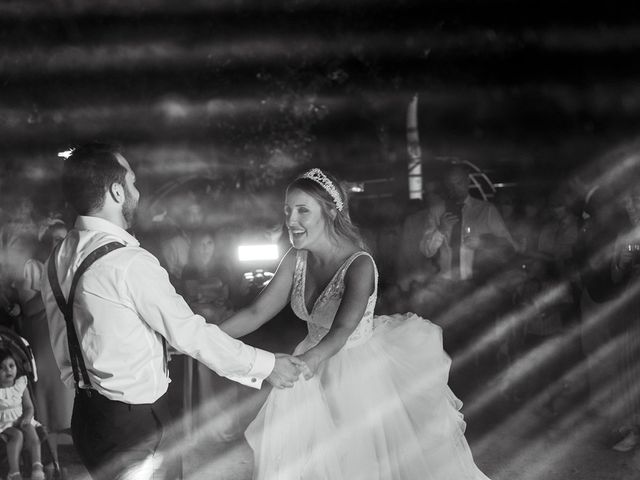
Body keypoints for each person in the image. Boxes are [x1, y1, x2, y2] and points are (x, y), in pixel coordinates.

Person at [40, 143, 304, 480]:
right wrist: (266, 365)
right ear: (117, 192)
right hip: (135, 428)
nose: (137, 191)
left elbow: (98, 335)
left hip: (88, 420)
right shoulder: (127, 263)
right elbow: (190, 333)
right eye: (132, 183)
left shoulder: (57, 257)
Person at [220, 167, 491, 479]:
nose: (291, 220)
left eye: (303, 211)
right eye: (287, 210)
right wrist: (201, 335)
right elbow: (256, 313)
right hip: (311, 364)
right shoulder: (296, 259)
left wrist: (307, 363)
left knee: (354, 462)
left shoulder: (359, 264)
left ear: (331, 213)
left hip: (354, 371)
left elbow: (342, 330)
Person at [420, 164, 515, 281]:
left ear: (467, 181)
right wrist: (440, 230)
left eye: (459, 183)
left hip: (479, 283)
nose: (455, 189)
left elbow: (509, 246)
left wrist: (483, 243)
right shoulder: (437, 211)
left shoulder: (486, 210)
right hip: (445, 283)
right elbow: (425, 250)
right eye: (451, 185)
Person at [0, 348, 45, 480]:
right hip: (4, 424)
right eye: (1, 368)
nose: (8, 370)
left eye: (11, 366)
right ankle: (14, 473)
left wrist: (27, 417)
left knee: (31, 430)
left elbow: (29, 407)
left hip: (21, 419)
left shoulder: (20, 385)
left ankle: (37, 466)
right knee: (17, 435)